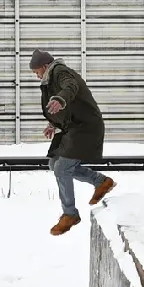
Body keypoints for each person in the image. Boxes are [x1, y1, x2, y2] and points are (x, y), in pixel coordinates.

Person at [29, 49, 115, 235]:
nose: (37, 76)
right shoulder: (51, 78)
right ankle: (101, 181)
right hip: (74, 128)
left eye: (37, 72)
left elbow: (70, 86)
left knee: (62, 168)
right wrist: (53, 124)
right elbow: (68, 108)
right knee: (54, 163)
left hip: (85, 127)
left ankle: (70, 214)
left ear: (45, 66)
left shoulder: (60, 72)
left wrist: (60, 99)